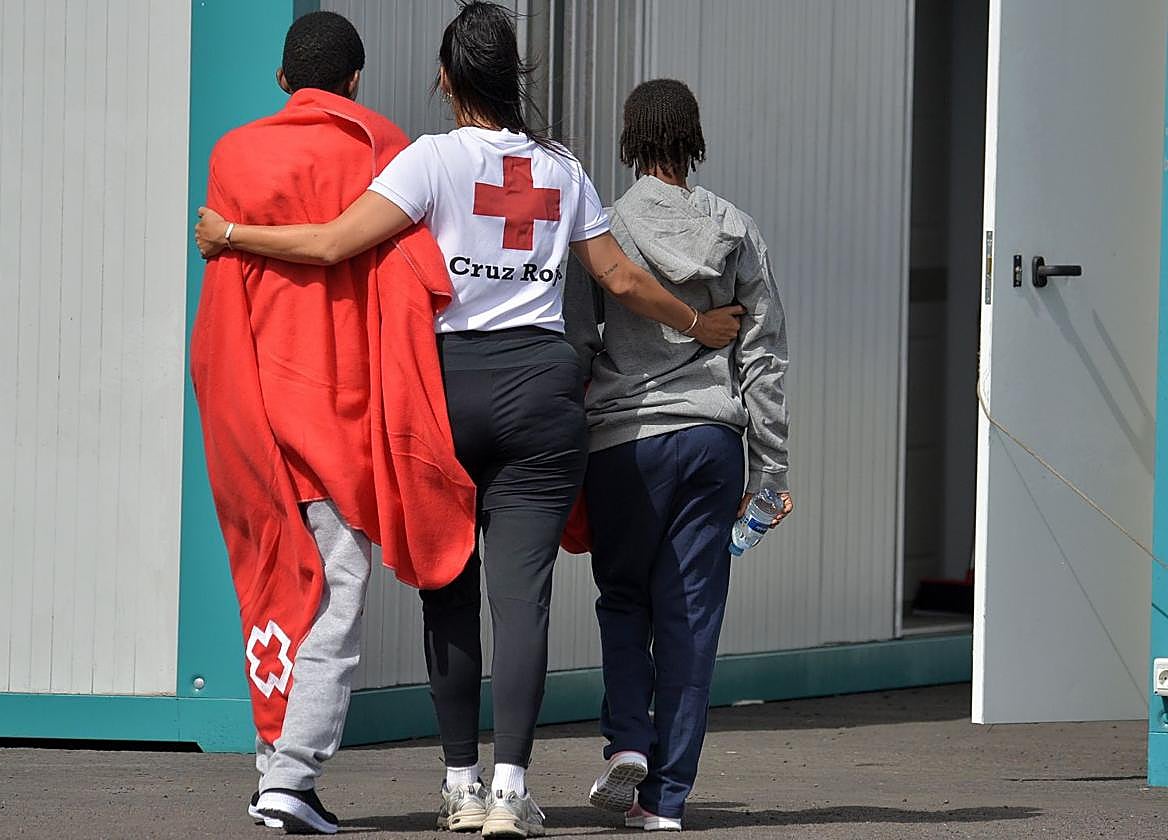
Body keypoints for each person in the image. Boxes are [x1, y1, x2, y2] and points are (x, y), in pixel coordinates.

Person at [195, 5, 744, 836]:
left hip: (445, 394)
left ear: (448, 80)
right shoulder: (562, 167)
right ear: (511, 74)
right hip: (543, 393)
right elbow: (621, 280)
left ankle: (459, 784)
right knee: (521, 602)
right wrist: (699, 323)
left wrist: (233, 233)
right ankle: (510, 792)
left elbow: (334, 243)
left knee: (447, 590)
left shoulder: (428, 160)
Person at [191, 11, 477, 835]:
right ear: (354, 80)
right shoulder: (386, 149)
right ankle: (291, 777)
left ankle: (271, 766)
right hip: (343, 412)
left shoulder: (233, 155)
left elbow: (223, 293)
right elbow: (419, 280)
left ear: (284, 80)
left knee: (276, 581)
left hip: (254, 404)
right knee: (335, 595)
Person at [564, 79, 793, 832]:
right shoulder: (735, 228)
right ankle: (664, 802)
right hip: (711, 442)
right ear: (694, 139)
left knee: (624, 598)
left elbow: (578, 343)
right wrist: (770, 470)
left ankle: (629, 741)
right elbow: (764, 358)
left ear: (631, 140)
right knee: (691, 616)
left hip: (625, 445)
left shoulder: (603, 231)